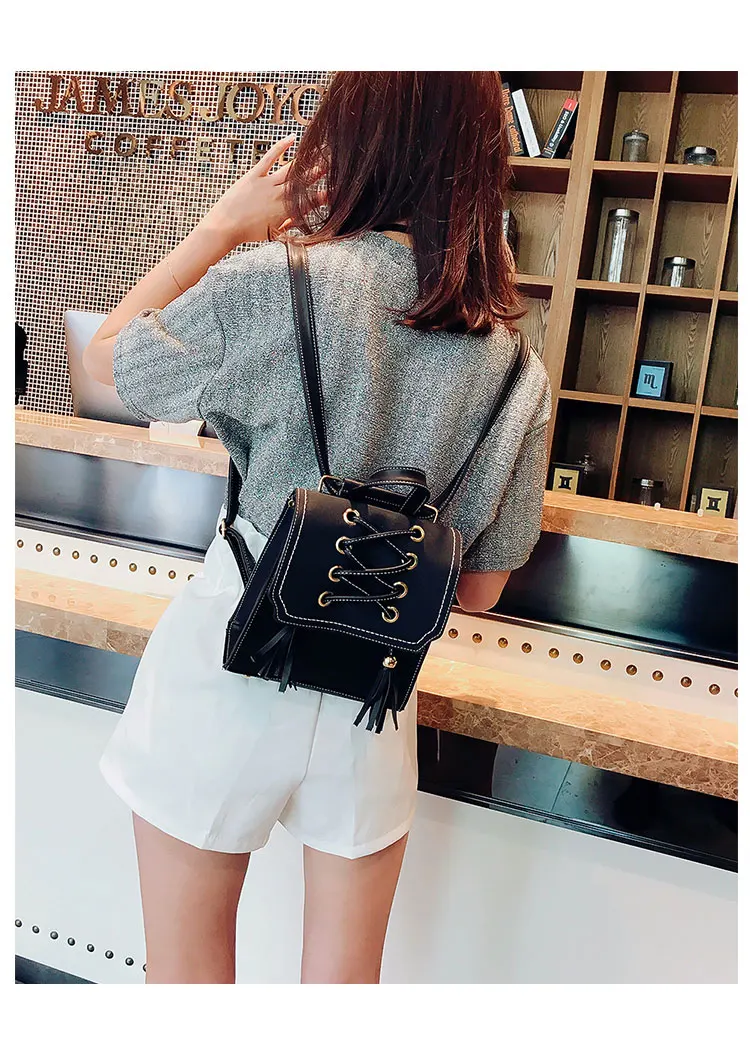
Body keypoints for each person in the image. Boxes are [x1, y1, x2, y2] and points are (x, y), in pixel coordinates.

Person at [84, 71, 551, 984]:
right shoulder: (514, 362)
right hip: (371, 697)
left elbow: (107, 364)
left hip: (227, 666)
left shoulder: (271, 283)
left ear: (351, 138)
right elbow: (481, 588)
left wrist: (223, 225)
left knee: (186, 984)